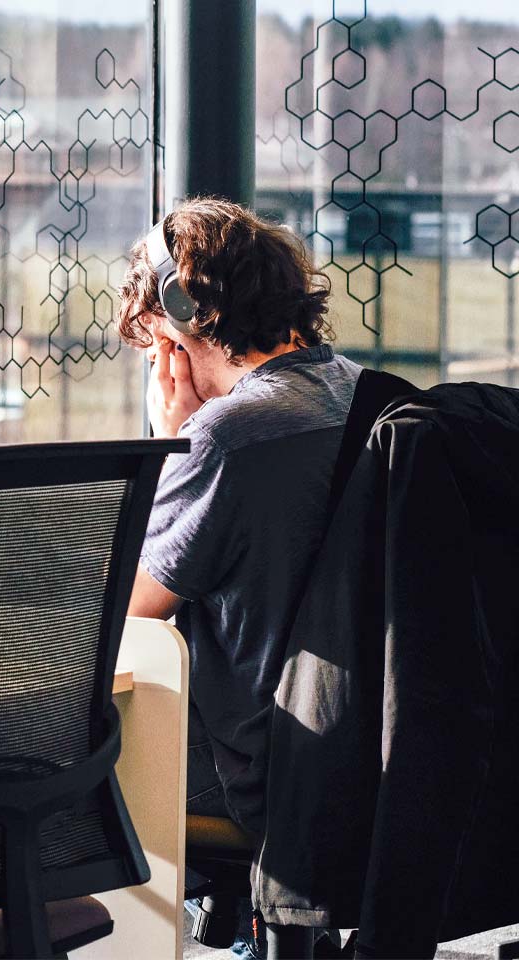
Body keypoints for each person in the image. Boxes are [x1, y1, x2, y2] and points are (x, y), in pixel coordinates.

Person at [117, 197, 349, 835]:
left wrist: (176, 441)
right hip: (360, 752)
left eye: (155, 346)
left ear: (178, 321)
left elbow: (127, 614)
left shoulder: (231, 436)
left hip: (252, 761)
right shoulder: (366, 395)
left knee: (5, 747)